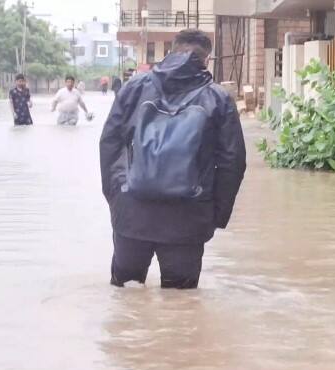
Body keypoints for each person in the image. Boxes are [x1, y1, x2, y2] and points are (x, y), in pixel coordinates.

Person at [99, 29, 247, 289]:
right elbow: (232, 162)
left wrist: (117, 195)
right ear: (207, 60)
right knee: (182, 307)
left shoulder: (134, 87)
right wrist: (215, 215)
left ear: (171, 51)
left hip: (132, 213)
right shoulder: (218, 98)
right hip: (188, 219)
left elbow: (110, 143)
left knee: (126, 299)